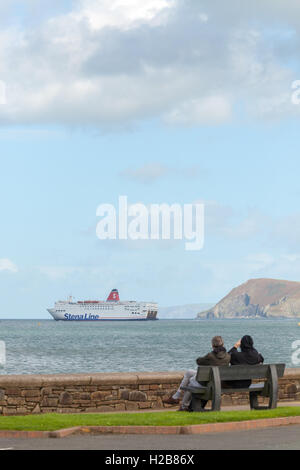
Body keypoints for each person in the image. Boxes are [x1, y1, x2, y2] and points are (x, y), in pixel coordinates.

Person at [163, 336, 231, 411]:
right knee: (189, 372)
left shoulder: (210, 356)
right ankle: (176, 396)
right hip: (218, 383)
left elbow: (199, 362)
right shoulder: (228, 356)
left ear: (212, 345)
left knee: (191, 381)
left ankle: (183, 406)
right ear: (223, 344)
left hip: (208, 384)